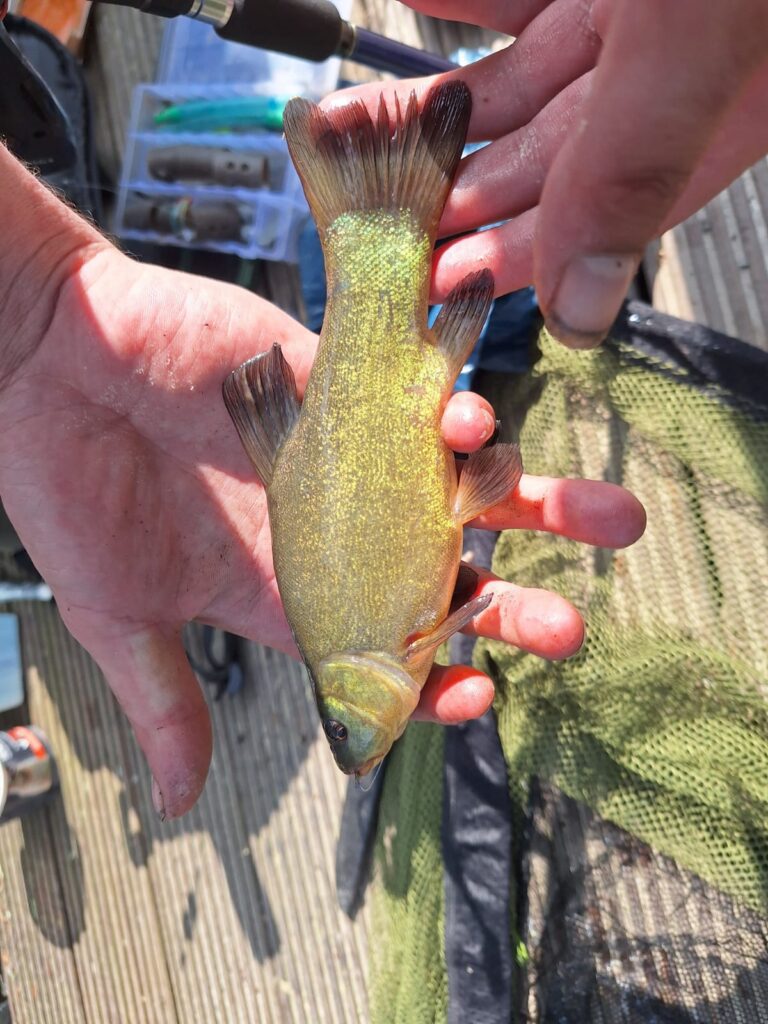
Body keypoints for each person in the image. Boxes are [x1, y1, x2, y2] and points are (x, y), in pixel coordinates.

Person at [6, 0, 764, 820]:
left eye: (340, 729)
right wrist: (30, 312)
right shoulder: (396, 648)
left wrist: (36, 308)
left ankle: (371, 237)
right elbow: (486, 480)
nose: (355, 744)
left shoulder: (389, 646)